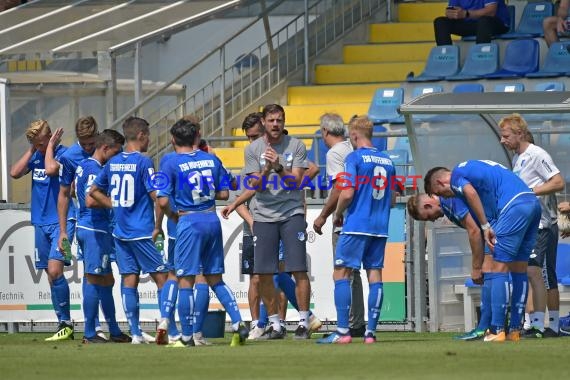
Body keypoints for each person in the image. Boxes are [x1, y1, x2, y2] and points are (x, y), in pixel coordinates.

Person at [425, 160, 541, 342]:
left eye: (442, 193)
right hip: (532, 203)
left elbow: (470, 193)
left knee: (497, 267)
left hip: (513, 206)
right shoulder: (475, 168)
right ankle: (514, 330)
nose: (447, 196)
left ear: (440, 183)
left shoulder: (456, 176)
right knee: (519, 269)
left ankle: (496, 330)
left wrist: (486, 226)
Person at [156, 117, 248, 347]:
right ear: (195, 136)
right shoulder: (210, 159)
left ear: (173, 139)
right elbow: (226, 194)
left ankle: (187, 335)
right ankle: (238, 322)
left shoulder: (169, 161)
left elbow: (163, 199)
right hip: (211, 219)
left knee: (185, 280)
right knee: (214, 277)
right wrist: (204, 195)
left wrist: (174, 215)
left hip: (189, 221)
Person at [89, 116, 171, 344]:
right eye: (149, 136)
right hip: (142, 231)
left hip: (120, 232)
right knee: (162, 278)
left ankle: (135, 333)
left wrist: (114, 206)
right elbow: (156, 196)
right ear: (142, 135)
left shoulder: (113, 162)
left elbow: (94, 190)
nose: (150, 141)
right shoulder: (144, 162)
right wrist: (159, 224)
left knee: (129, 280)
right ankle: (166, 325)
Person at [316, 116, 395, 344]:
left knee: (341, 273)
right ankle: (370, 333)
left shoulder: (354, 157)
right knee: (375, 274)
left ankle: (342, 332)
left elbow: (347, 192)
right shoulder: (388, 160)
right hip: (380, 227)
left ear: (353, 135)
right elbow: (392, 199)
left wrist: (338, 213)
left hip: (357, 223)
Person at [242, 103, 312, 339]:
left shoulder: (296, 145)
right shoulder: (253, 149)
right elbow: (256, 186)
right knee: (262, 274)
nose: (275, 124)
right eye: (271, 120)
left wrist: (280, 167)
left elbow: (295, 183)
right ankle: (275, 324)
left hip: (292, 213)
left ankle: (303, 322)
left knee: (298, 269)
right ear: (263, 121)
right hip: (263, 215)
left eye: (279, 120)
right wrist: (266, 169)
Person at [499, 114, 565, 338]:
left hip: (542, 224)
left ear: (520, 134)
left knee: (540, 273)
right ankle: (533, 324)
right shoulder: (518, 158)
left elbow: (558, 182)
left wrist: (529, 192)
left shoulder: (536, 154)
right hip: (527, 225)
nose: (502, 140)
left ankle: (547, 326)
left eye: (506, 136)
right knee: (528, 271)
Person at [10, 120, 75, 341]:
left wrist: (48, 148)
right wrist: (33, 148)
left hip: (61, 221)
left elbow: (51, 169)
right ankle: (62, 323)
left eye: (41, 142)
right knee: (50, 275)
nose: (38, 147)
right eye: (34, 143)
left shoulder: (63, 155)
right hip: (40, 222)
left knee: (56, 271)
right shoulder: (35, 154)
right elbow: (14, 173)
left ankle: (66, 323)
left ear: (50, 138)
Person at [407, 194, 498, 340]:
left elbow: (474, 230)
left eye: (427, 217)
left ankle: (489, 328)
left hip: (496, 224)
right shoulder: (448, 204)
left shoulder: (450, 199)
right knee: (506, 273)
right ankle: (498, 327)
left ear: (427, 206)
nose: (432, 220)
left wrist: (476, 267)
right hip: (493, 226)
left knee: (489, 272)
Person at [312, 113, 366, 337]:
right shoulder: (350, 148)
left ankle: (348, 325)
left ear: (325, 131)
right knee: (355, 274)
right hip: (361, 217)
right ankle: (358, 323)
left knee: (343, 273)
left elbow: (339, 188)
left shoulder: (335, 153)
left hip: (344, 220)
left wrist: (325, 215)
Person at [75, 129, 131, 343]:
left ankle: (114, 331)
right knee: (94, 278)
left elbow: (73, 191)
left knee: (107, 280)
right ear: (105, 148)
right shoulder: (94, 169)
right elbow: (90, 200)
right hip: (93, 230)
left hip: (92, 228)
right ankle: (90, 333)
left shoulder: (84, 165)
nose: (118, 156)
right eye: (117, 152)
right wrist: (116, 205)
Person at [56, 116, 104, 339]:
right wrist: (63, 230)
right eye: (83, 144)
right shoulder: (68, 157)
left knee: (107, 275)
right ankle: (92, 327)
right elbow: (64, 193)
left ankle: (107, 325)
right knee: (90, 274)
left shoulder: (106, 150)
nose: (87, 147)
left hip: (109, 222)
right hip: (86, 223)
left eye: (91, 143)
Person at [433, 0, 510, 45]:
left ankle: (481, 57)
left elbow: (491, 12)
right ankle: (446, 59)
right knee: (440, 22)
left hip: (496, 23)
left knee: (484, 21)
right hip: (473, 24)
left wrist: (466, 14)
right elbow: (454, 10)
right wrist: (451, 14)